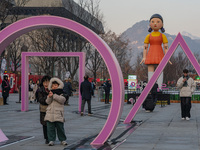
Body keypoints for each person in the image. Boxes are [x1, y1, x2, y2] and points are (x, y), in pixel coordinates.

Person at [140, 14, 171, 89]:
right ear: (150, 24)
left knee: (160, 70)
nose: (155, 23)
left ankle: (159, 88)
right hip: (151, 54)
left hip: (159, 53)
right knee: (150, 69)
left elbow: (166, 47)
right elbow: (145, 47)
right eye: (153, 21)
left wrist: (167, 57)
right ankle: (150, 87)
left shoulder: (163, 36)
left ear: (162, 24)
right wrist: (144, 57)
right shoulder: (148, 36)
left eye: (158, 21)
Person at [44, 77, 67, 146]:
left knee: (60, 128)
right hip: (50, 113)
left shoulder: (62, 93)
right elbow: (47, 102)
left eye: (56, 85)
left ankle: (62, 139)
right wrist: (49, 96)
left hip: (58, 113)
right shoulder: (50, 92)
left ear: (59, 85)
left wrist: (54, 95)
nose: (54, 87)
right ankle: (51, 140)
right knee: (50, 128)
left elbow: (62, 100)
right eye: (53, 85)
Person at [37, 75, 51, 144]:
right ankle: (47, 138)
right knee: (44, 125)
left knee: (51, 125)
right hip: (43, 110)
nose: (46, 84)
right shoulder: (40, 90)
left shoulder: (53, 89)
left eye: (47, 82)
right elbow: (41, 100)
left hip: (51, 110)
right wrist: (48, 97)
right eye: (44, 82)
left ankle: (51, 137)